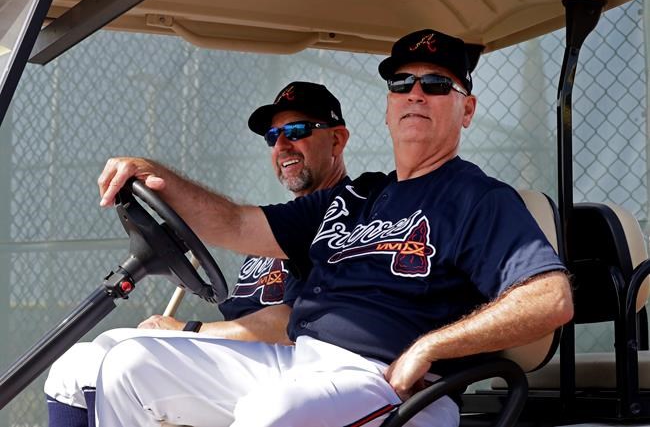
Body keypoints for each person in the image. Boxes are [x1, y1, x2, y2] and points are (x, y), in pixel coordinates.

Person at [92, 29, 573, 427]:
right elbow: (236, 224)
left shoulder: (478, 198)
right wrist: (157, 175)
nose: (416, 93)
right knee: (128, 365)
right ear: (388, 108)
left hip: (394, 385)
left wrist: (429, 347)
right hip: (300, 364)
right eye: (402, 83)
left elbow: (550, 298)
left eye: (437, 84)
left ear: (466, 110)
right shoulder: (351, 196)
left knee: (270, 412)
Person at [44, 81, 351, 427]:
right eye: (272, 136)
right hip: (244, 358)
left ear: (337, 140)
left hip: (296, 364)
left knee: (127, 362)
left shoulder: (343, 214)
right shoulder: (280, 221)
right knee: (75, 365)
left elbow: (290, 323)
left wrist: (189, 329)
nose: (282, 145)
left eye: (296, 131)